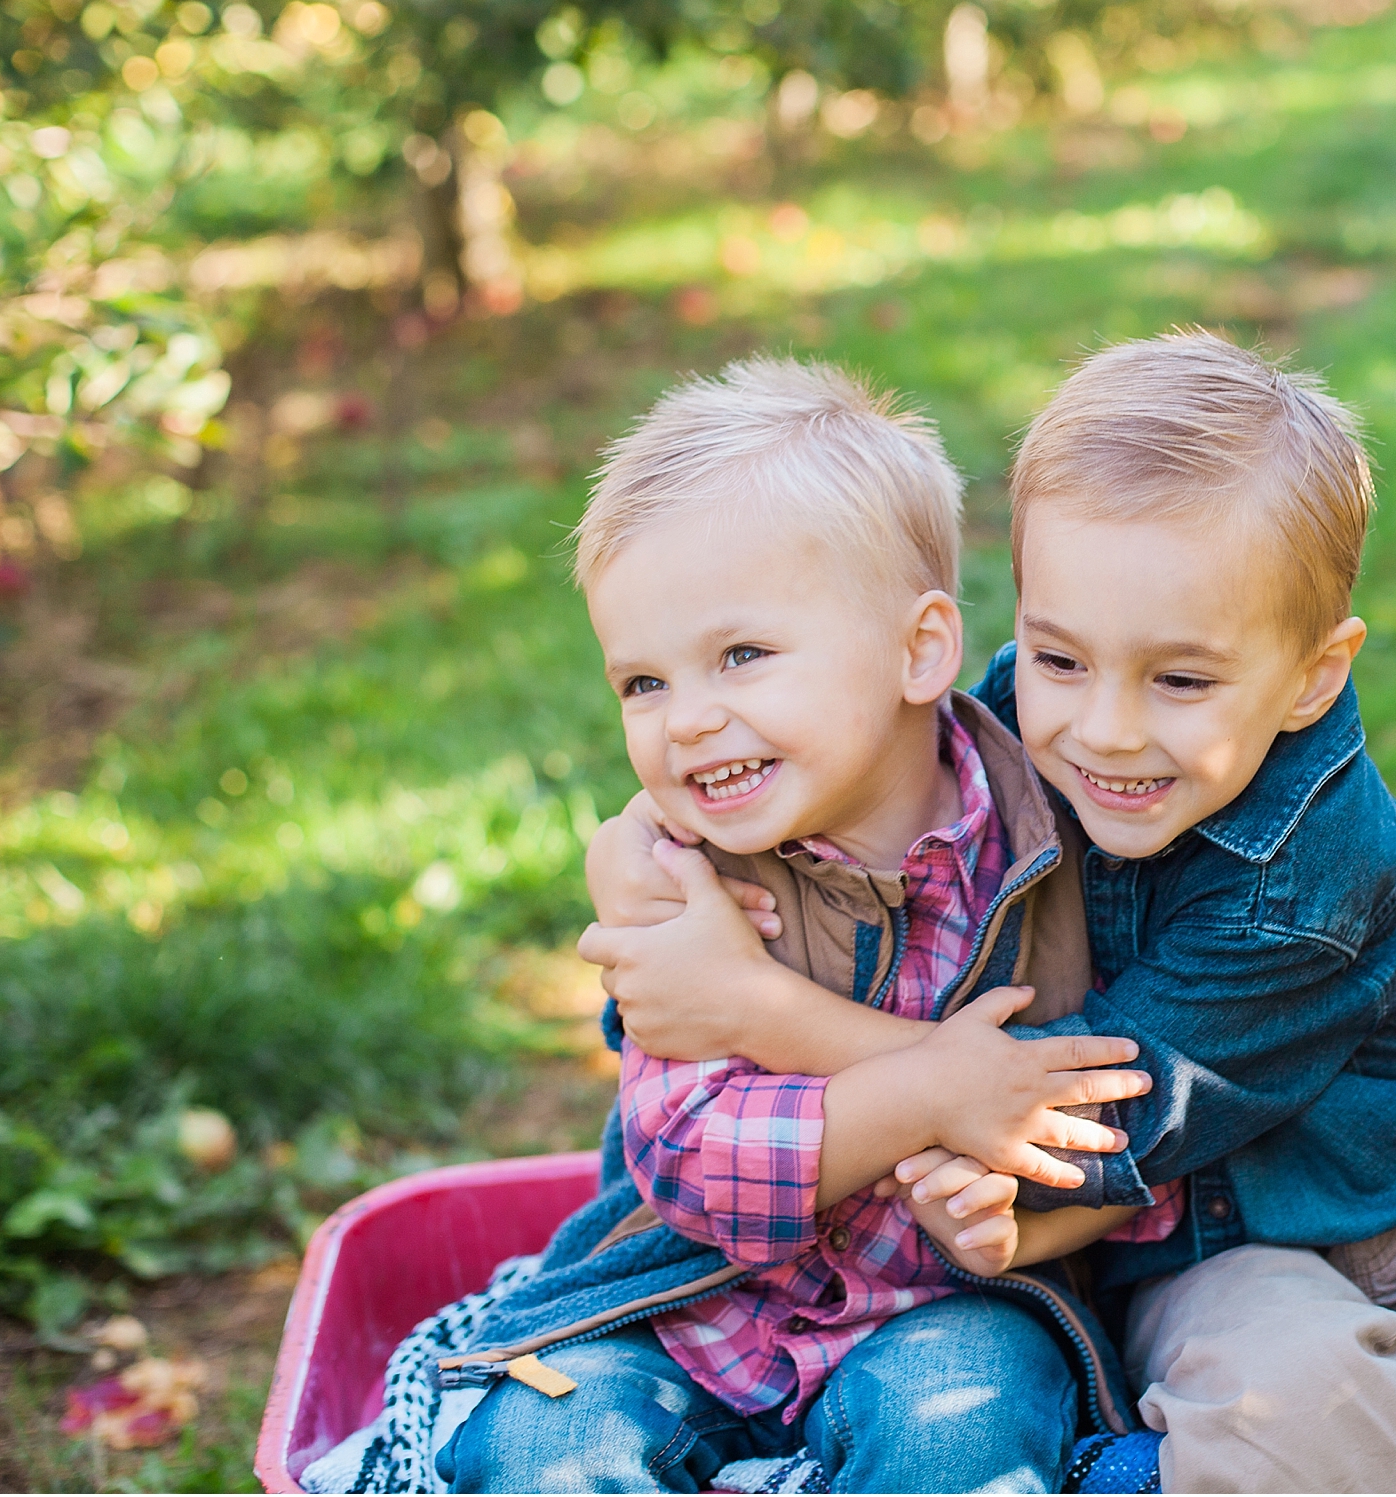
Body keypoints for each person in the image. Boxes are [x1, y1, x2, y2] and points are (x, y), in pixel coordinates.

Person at [587, 333, 1396, 1493]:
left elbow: (1075, 1106)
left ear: (1314, 671)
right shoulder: (1017, 727)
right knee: (1293, 1422)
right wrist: (640, 843)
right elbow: (848, 756)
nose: (1102, 729)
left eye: (1182, 679)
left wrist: (756, 1005)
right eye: (1058, 657)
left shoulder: (1310, 880)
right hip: (1205, 1245)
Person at [436, 357, 1167, 1494]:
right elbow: (689, 1159)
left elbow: (1121, 1114)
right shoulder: (686, 881)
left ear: (919, 650)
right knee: (539, 1442)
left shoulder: (1066, 825)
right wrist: (928, 1095)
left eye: (741, 655)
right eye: (642, 683)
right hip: (685, 1299)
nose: (688, 720)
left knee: (963, 1435)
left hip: (950, 1302)